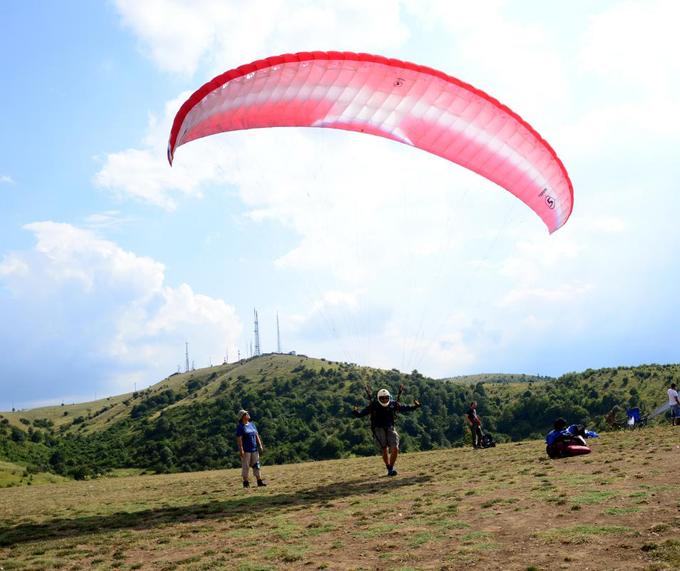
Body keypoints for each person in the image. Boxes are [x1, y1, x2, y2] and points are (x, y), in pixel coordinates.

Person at [353, 388, 420, 476]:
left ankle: (391, 468)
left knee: (395, 448)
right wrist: (355, 411)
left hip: (390, 427)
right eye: (382, 398)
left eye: (386, 398)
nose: (384, 400)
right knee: (384, 449)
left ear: (389, 397)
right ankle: (389, 468)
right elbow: (361, 414)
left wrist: (415, 406)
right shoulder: (374, 405)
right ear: (378, 398)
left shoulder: (393, 404)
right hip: (378, 428)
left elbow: (404, 408)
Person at [236, 409, 266, 488]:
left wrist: (260, 445)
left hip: (254, 449)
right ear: (243, 417)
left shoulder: (252, 424)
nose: (248, 414)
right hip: (246, 450)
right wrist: (241, 449)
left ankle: (259, 481)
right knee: (246, 466)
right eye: (246, 413)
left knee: (256, 465)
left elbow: (256, 435)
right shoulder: (240, 427)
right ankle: (246, 483)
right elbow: (239, 439)